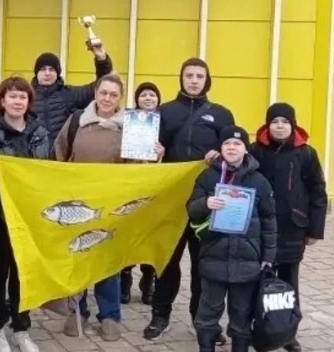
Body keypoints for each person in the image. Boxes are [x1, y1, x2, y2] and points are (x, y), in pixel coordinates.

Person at [54, 74, 158, 341]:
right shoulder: (77, 120)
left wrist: (153, 156)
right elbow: (60, 153)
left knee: (108, 261)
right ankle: (77, 311)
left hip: (112, 204)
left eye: (113, 94)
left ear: (120, 98)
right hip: (79, 202)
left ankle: (110, 315)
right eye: (103, 93)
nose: (107, 98)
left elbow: (138, 168)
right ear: (96, 94)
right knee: (79, 256)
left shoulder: (132, 126)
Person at [143, 58, 235, 343]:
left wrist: (220, 156)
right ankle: (160, 315)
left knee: (202, 265)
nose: (194, 80)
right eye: (189, 75)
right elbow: (146, 156)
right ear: (181, 78)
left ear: (207, 80)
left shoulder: (221, 115)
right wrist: (154, 153)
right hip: (171, 201)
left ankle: (202, 320)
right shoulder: (164, 112)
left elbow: (233, 154)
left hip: (206, 202)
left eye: (199, 76)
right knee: (167, 261)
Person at [0, 76, 53, 352]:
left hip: (29, 217)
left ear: (29, 102)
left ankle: (21, 328)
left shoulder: (42, 134)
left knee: (23, 274)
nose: (18, 101)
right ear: (2, 100)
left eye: (22, 96)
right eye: (12, 96)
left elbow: (51, 172)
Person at [187, 126, 277, 352]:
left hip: (247, 260)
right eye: (227, 143)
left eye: (237, 144)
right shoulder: (208, 176)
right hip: (213, 257)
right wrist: (205, 203)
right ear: (220, 148)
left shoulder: (259, 181)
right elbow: (191, 209)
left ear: (246, 149)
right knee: (208, 312)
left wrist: (268, 256)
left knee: (241, 313)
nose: (231, 147)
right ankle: (206, 347)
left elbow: (269, 220)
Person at [249, 103, 328, 352]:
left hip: (293, 228)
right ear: (267, 125)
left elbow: (318, 192)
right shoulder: (254, 150)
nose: (280, 126)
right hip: (259, 228)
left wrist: (315, 230)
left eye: (285, 121)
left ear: (293, 125)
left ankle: (288, 333)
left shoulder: (306, 153)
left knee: (288, 281)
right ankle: (255, 326)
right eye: (275, 121)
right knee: (255, 279)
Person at [120, 81, 162, 305]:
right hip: (130, 187)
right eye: (143, 94)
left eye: (152, 95)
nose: (148, 98)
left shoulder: (164, 124)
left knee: (150, 237)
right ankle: (124, 279)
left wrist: (161, 154)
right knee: (129, 235)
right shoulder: (127, 122)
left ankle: (148, 281)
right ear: (136, 99)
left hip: (155, 190)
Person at [31, 41, 113, 142]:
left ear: (57, 73)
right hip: (31, 152)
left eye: (51, 69)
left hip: (63, 151)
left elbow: (101, 85)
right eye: (43, 69)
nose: (47, 73)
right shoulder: (27, 96)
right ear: (36, 73)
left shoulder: (69, 94)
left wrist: (102, 60)